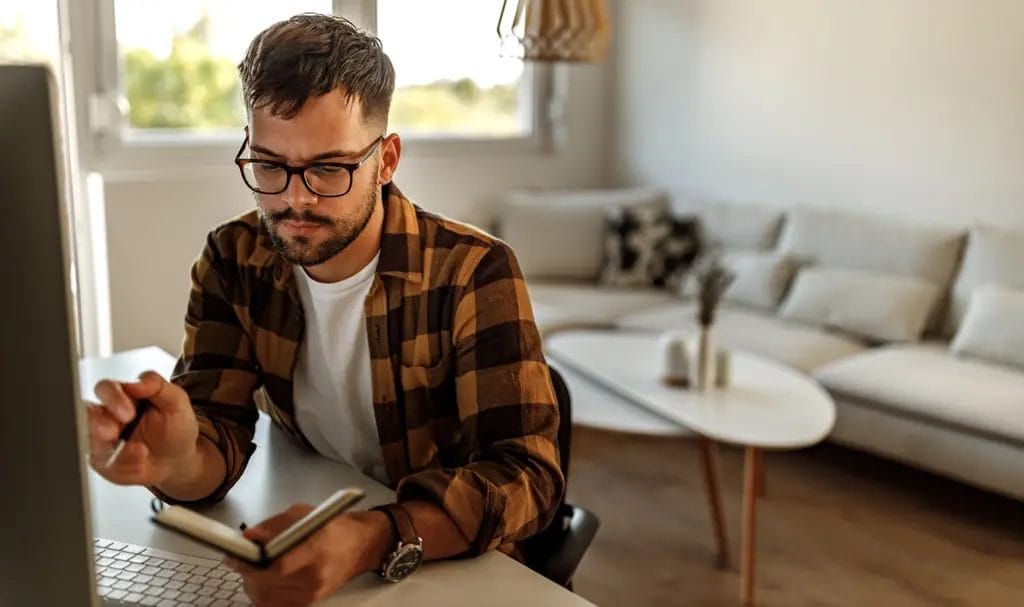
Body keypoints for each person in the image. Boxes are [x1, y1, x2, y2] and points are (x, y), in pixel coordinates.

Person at [84, 13, 563, 606]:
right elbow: (215, 442)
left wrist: (369, 538)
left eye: (329, 169)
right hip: (313, 527)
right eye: (269, 166)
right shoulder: (236, 256)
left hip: (451, 569)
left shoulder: (472, 273)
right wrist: (179, 459)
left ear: (385, 161)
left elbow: (529, 479)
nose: (294, 198)